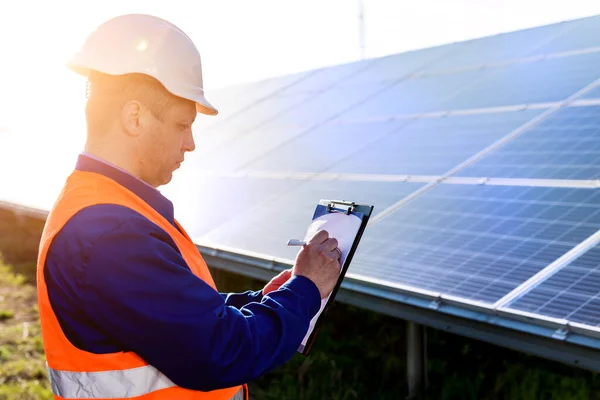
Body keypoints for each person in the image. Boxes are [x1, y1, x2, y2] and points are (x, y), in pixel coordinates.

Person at [36, 13, 342, 400]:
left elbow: (169, 313)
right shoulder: (111, 232)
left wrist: (262, 302)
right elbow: (221, 351)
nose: (190, 143)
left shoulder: (105, 208)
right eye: (182, 125)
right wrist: (306, 289)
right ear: (135, 117)